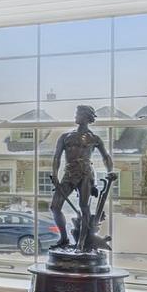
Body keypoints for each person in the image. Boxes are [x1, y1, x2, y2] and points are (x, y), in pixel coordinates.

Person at [48, 105, 114, 252]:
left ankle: (81, 244)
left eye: (78, 114)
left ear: (86, 117)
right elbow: (57, 157)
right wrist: (55, 174)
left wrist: (110, 171)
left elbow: (106, 157)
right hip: (69, 173)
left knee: (84, 208)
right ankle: (64, 238)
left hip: (86, 174)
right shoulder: (65, 137)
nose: (76, 116)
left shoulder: (94, 138)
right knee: (55, 206)